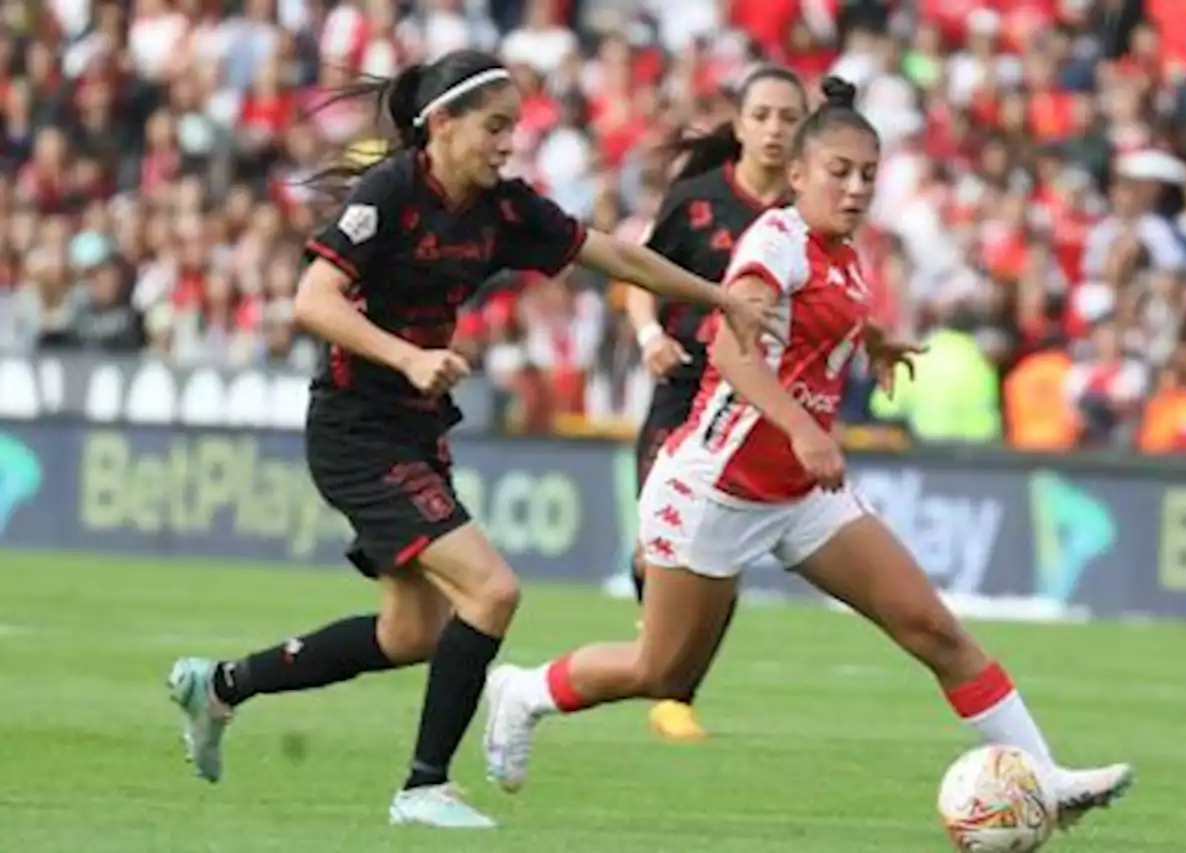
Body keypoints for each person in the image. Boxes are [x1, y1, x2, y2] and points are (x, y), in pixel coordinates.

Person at [481, 77, 1134, 830]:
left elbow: (824, 324)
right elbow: (730, 350)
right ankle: (523, 691)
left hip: (800, 497)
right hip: (715, 487)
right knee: (659, 669)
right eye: (839, 172)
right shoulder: (774, 243)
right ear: (797, 174)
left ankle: (1046, 780)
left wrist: (878, 342)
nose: (855, 188)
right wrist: (802, 427)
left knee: (932, 627)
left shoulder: (845, 254)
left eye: (867, 175)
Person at [164, 49, 776, 830]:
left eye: (513, 128)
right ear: (442, 124)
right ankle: (423, 786)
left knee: (411, 631)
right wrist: (408, 354)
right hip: (356, 427)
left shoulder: (504, 208)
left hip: (415, 429)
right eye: (494, 126)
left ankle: (218, 686)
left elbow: (613, 253)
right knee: (493, 591)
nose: (507, 142)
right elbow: (313, 299)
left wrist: (718, 295)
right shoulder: (391, 192)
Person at [626, 63, 807, 741]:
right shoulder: (697, 198)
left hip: (751, 408)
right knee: (655, 550)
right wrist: (648, 334)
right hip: (682, 395)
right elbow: (638, 275)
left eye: (788, 118)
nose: (773, 129)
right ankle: (660, 661)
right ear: (738, 122)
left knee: (719, 560)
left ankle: (677, 692)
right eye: (761, 115)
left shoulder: (802, 217)